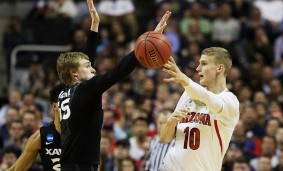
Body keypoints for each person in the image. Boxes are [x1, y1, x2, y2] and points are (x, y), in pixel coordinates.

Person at [56, 0, 172, 170]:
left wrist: (94, 26)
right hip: (81, 166)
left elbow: (84, 59)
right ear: (74, 73)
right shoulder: (85, 89)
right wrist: (144, 47)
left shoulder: (65, 91)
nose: (93, 69)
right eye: (88, 67)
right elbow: (117, 72)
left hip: (69, 163)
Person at [159, 47, 240, 171]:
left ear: (219, 68)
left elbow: (211, 101)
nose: (198, 68)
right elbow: (164, 139)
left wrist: (185, 80)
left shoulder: (230, 101)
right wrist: (170, 123)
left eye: (204, 64)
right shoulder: (187, 94)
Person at [6, 84, 64, 171]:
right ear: (54, 106)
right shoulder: (40, 137)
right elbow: (16, 169)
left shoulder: (84, 132)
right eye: (65, 103)